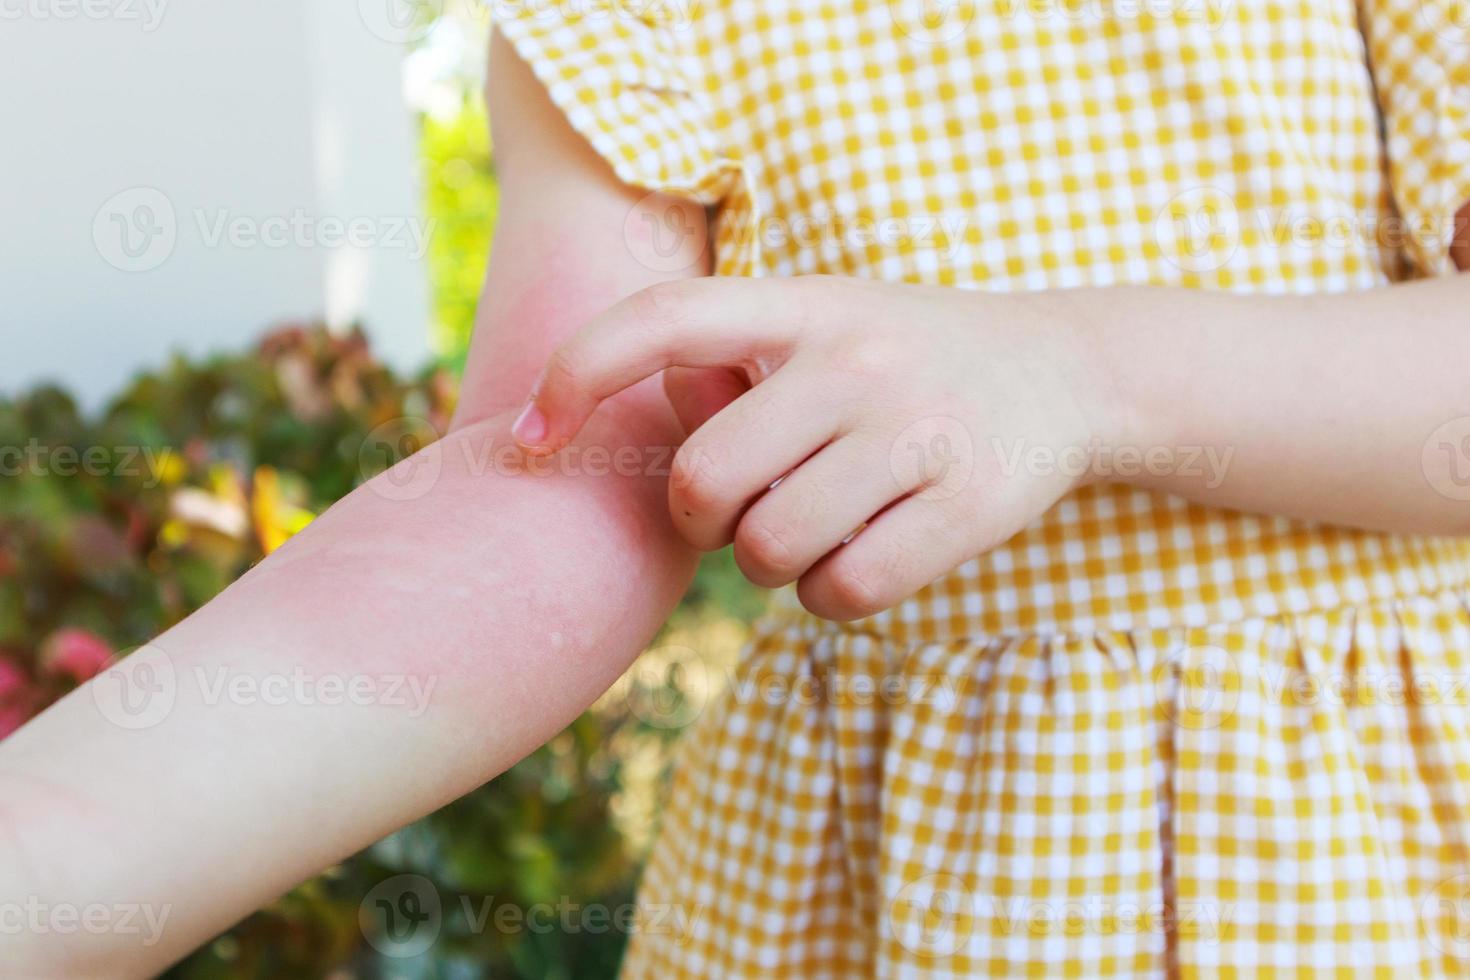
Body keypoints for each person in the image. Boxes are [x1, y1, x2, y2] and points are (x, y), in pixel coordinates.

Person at [4, 0, 1470, 974]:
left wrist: (1076, 372)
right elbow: (560, 467)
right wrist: (70, 834)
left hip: (1375, 828)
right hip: (905, 878)